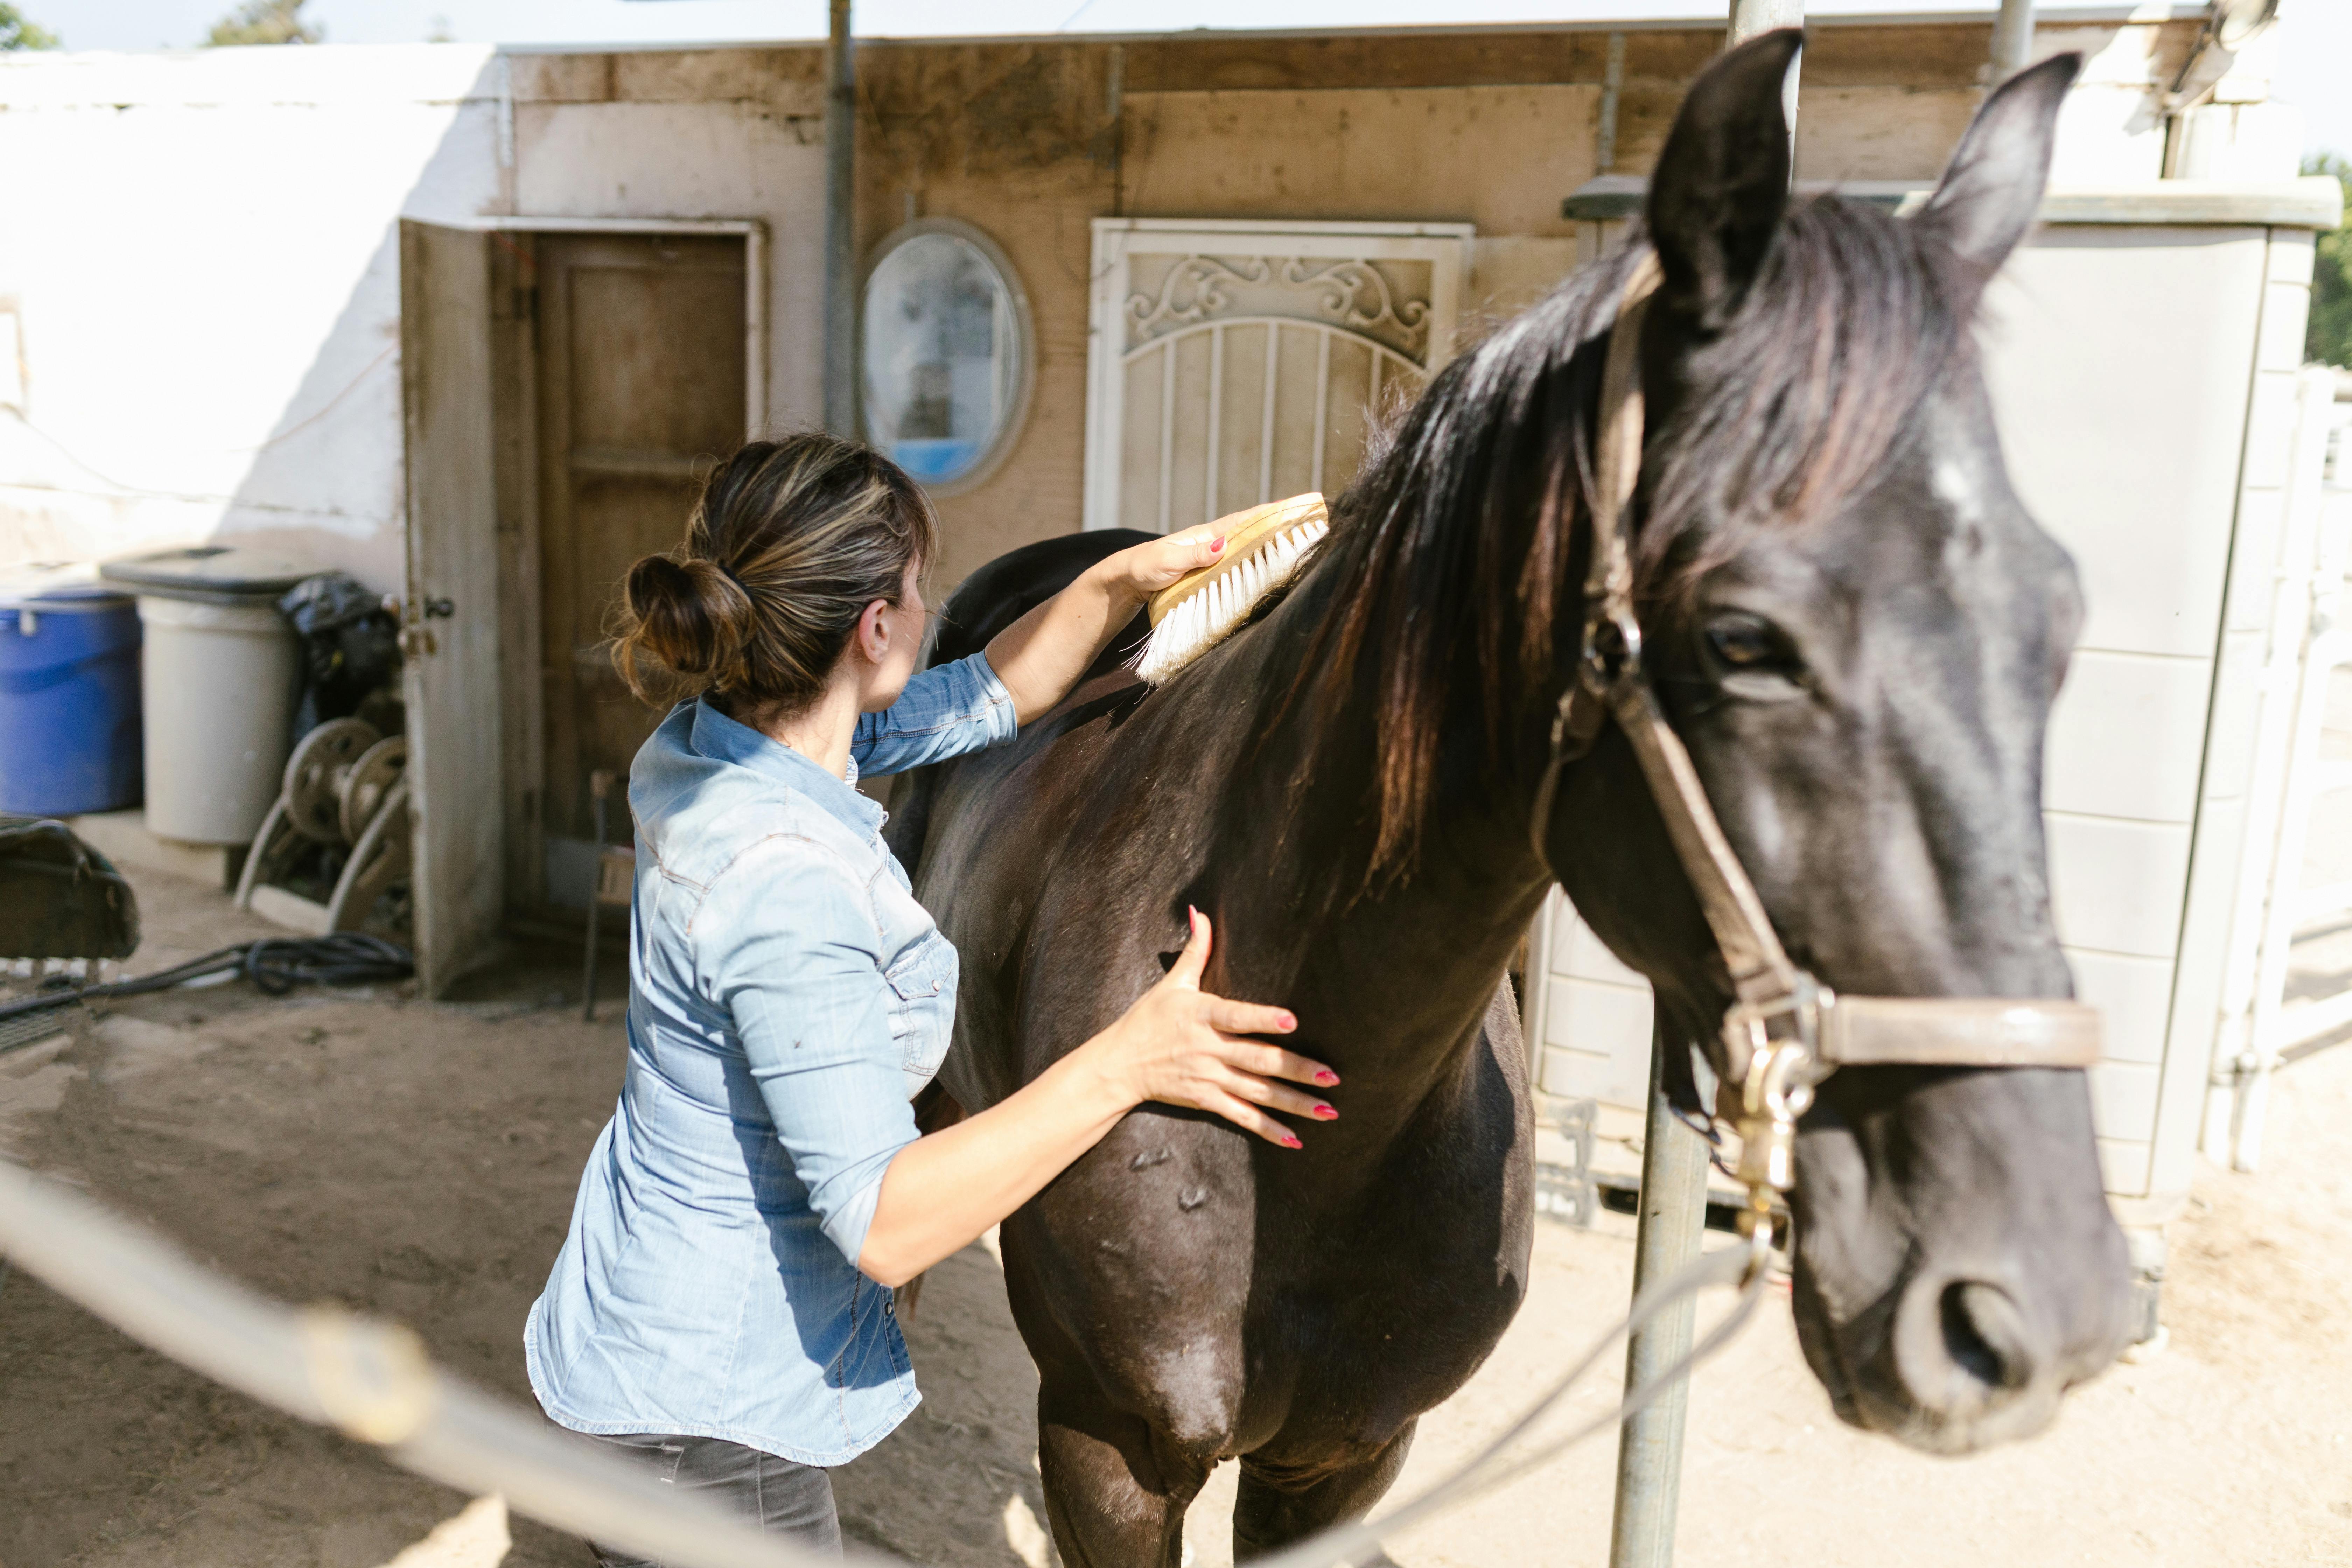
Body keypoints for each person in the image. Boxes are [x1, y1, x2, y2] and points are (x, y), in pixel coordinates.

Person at [525, 433, 1336, 1563]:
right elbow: (888, 1222)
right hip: (703, 1424)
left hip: (642, 1328)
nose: (926, 608)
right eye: (918, 590)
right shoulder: (787, 883)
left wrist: (1115, 583)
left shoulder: (722, 739)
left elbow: (986, 696)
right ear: (874, 629)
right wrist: (1130, 1060)